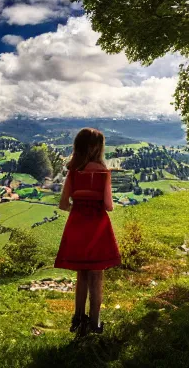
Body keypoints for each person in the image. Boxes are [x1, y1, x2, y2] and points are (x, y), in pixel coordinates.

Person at [54, 127, 121, 336]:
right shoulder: (104, 173)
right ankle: (95, 322)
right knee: (96, 277)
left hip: (77, 224)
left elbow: (63, 204)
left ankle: (78, 319)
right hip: (98, 227)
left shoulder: (74, 172)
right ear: (97, 149)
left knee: (81, 275)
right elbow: (108, 205)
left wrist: (79, 208)